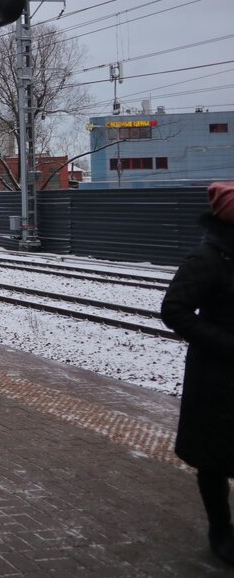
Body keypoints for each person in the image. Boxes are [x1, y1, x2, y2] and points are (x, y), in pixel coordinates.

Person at [160, 181, 234, 567]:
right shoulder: (208, 258)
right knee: (215, 458)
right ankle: (220, 530)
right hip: (217, 377)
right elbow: (174, 309)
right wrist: (224, 344)